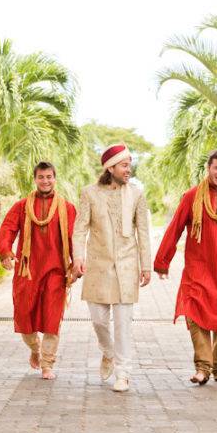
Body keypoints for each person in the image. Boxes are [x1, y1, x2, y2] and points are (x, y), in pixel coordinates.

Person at [154, 149, 217, 385]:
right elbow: (175, 227)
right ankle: (202, 367)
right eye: (216, 168)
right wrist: (162, 261)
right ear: (208, 168)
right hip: (198, 268)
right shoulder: (192, 196)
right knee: (194, 315)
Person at [72, 143, 151, 392]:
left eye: (129, 164)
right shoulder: (90, 193)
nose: (129, 169)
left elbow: (144, 232)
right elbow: (80, 228)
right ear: (111, 167)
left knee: (123, 324)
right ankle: (107, 352)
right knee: (98, 321)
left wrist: (146, 265)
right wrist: (78, 256)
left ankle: (123, 373)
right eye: (124, 165)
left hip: (127, 267)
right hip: (98, 265)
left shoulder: (137, 194)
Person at [0, 161, 77, 380]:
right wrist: (5, 251)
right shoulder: (22, 206)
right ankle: (35, 348)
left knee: (52, 318)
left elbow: (74, 237)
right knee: (24, 316)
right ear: (35, 179)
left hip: (55, 270)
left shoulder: (67, 208)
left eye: (49, 177)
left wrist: (76, 263)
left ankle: (47, 364)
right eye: (41, 177)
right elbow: (7, 228)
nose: (45, 181)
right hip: (27, 271)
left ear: (55, 178)